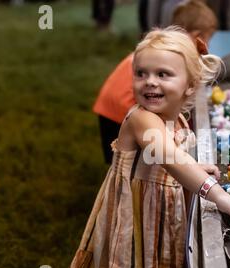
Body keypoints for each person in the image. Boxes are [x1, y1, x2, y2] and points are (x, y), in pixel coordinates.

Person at [68, 26, 230, 268]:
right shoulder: (142, 119)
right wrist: (217, 194)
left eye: (162, 74)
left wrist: (195, 167)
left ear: (189, 84)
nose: (149, 82)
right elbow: (170, 158)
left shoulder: (171, 117)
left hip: (161, 218)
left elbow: (166, 161)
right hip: (139, 225)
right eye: (141, 74)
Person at [93, 0, 218, 164]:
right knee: (127, 161)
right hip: (118, 109)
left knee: (136, 160)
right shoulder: (173, 55)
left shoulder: (165, 47)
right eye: (208, 39)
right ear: (197, 36)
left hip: (113, 102)